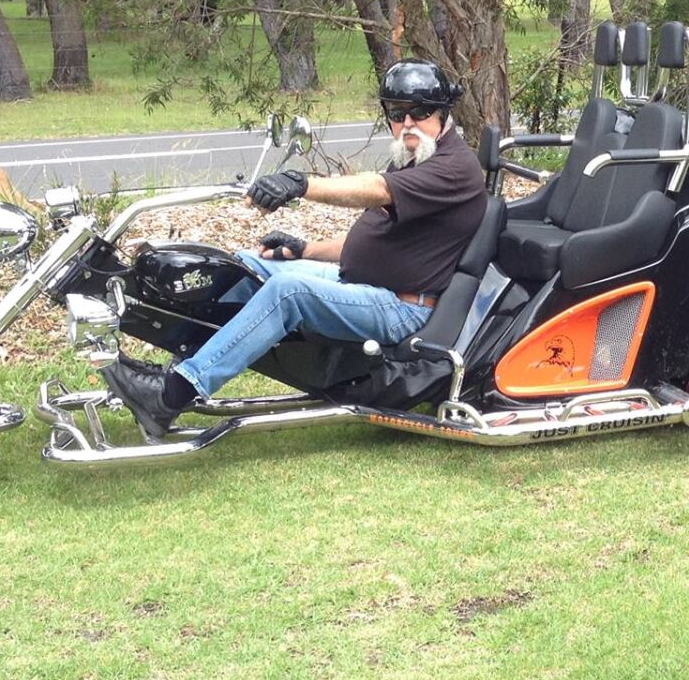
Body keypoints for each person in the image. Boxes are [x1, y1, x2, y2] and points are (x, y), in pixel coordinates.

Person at [101, 59, 489, 438]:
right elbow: (373, 246)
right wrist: (303, 249)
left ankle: (171, 395)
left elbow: (376, 190)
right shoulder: (417, 156)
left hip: (402, 307)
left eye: (420, 112)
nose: (407, 122)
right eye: (396, 111)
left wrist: (301, 184)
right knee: (244, 266)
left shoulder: (454, 167)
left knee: (290, 293)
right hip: (364, 284)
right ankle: (182, 365)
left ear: (444, 113)